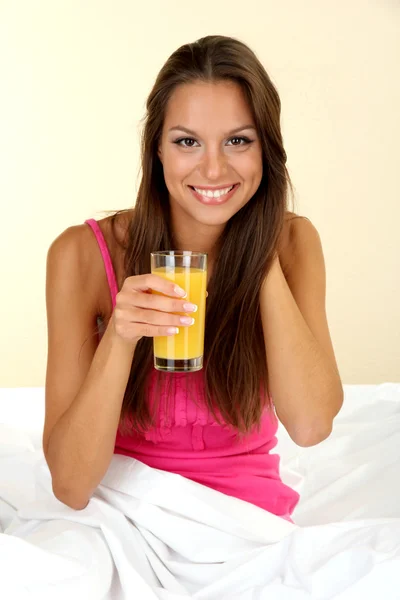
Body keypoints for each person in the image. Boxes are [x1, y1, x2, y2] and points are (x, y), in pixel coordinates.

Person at [42, 35, 343, 521]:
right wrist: (119, 338)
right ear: (157, 150)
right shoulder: (80, 256)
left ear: (266, 150)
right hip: (121, 518)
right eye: (187, 142)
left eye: (238, 141)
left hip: (247, 522)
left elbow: (310, 426)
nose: (213, 168)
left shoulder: (292, 244)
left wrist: (255, 251)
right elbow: (71, 487)